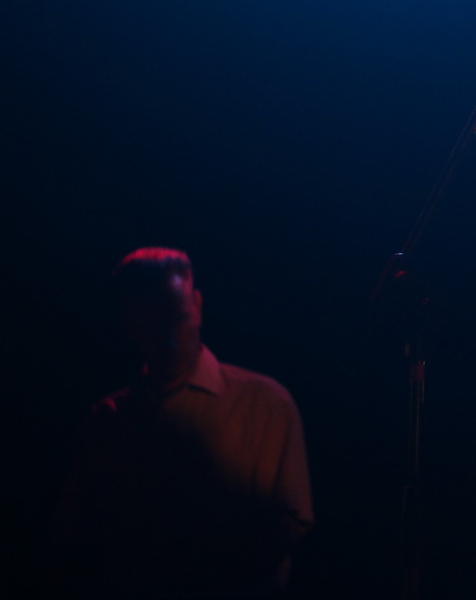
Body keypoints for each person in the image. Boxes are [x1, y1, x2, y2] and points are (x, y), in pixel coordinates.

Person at [54, 248, 314, 596]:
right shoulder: (107, 421)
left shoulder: (265, 404)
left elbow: (288, 522)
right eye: (153, 327)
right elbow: (78, 534)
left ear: (198, 305)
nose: (171, 340)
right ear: (129, 326)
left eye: (176, 320)